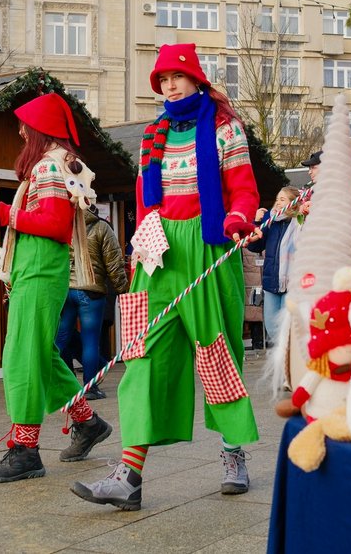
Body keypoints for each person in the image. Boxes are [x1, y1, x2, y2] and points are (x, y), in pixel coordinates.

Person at [72, 43, 259, 511]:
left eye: (177, 77)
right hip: (158, 253)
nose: (170, 85)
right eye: (162, 80)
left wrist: (238, 218)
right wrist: (139, 251)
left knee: (218, 355)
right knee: (144, 358)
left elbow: (242, 187)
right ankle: (128, 475)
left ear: (196, 79)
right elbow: (144, 199)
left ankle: (232, 453)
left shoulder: (224, 127)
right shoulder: (152, 132)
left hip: (208, 245)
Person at [0, 92, 111, 483]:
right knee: (44, 357)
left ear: (40, 130)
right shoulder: (57, 164)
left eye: (24, 126)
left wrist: (4, 213)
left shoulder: (49, 167)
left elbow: (53, 226)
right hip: (38, 271)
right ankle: (87, 424)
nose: (20, 132)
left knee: (21, 357)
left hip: (39, 271)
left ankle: (25, 449)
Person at [54, 205, 130, 403]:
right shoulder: (102, 228)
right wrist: (123, 289)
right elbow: (114, 263)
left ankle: (65, 386)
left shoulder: (65, 225)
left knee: (62, 338)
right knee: (90, 342)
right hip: (92, 291)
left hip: (66, 290)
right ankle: (90, 387)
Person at [247, 186, 300, 347]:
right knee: (271, 327)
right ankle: (281, 360)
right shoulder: (270, 222)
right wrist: (256, 222)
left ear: (293, 203)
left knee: (288, 326)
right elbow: (255, 247)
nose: (277, 203)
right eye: (277, 199)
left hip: (291, 283)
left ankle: (290, 362)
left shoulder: (299, 223)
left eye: (282, 199)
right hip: (271, 282)